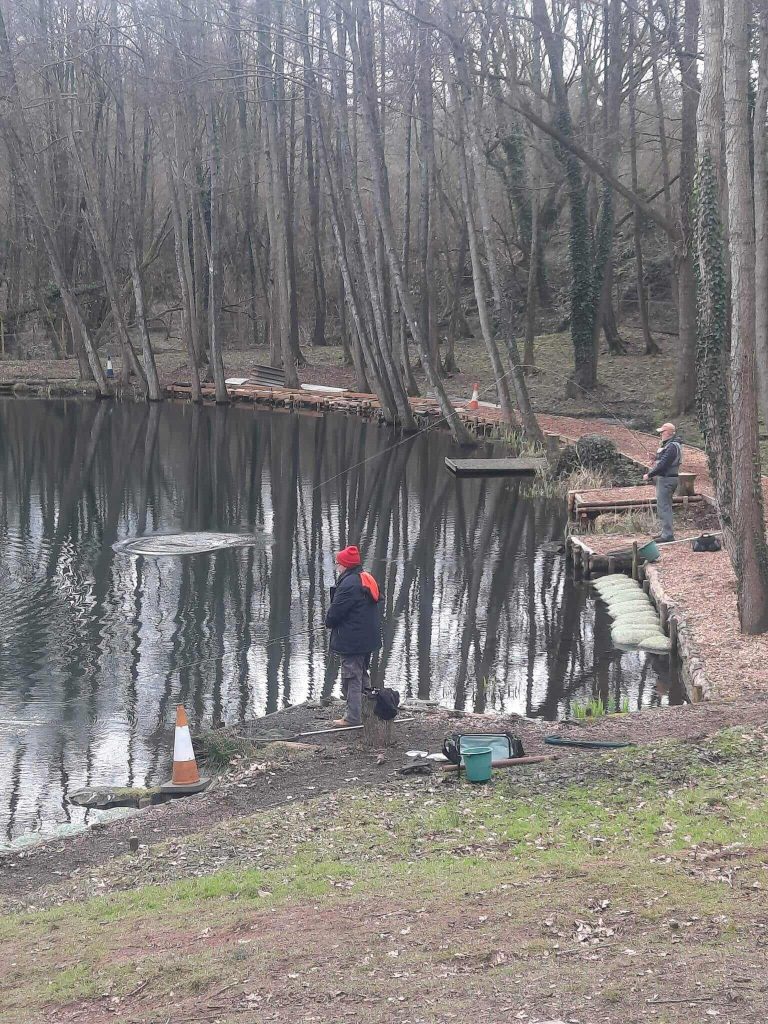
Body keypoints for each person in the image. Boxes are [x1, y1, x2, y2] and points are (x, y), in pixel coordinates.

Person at [325, 545, 382, 728]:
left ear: (346, 565)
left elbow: (334, 614)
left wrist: (329, 623)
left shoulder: (349, 584)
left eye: (338, 563)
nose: (337, 566)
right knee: (362, 674)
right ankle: (367, 712)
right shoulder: (366, 578)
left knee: (351, 677)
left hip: (352, 640)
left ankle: (352, 718)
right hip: (367, 638)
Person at [643, 421, 683, 543]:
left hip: (666, 479)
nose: (660, 434)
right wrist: (655, 459)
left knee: (663, 507)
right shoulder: (673, 445)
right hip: (669, 478)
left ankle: (667, 535)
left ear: (668, 433)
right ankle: (665, 532)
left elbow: (664, 465)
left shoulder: (672, 446)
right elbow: (664, 461)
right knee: (666, 507)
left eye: (662, 432)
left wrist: (649, 474)